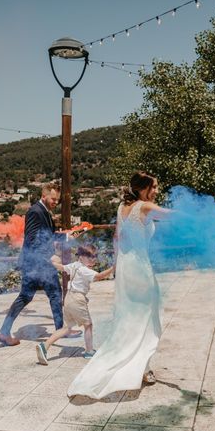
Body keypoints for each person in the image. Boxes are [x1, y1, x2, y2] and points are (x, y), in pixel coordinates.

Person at [67, 171, 170, 399]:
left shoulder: (122, 208)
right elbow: (172, 216)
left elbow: (116, 238)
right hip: (141, 269)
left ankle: (140, 366)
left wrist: (116, 267)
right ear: (143, 189)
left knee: (129, 317)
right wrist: (207, 214)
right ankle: (142, 369)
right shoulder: (144, 206)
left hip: (125, 266)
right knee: (148, 318)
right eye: (153, 187)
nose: (156, 191)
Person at [0, 183, 75, 346]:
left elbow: (49, 236)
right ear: (44, 195)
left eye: (57, 200)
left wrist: (68, 236)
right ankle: (60, 331)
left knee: (45, 295)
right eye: (53, 199)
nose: (55, 202)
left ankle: (4, 332)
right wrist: (50, 256)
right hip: (36, 264)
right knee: (47, 295)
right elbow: (32, 240)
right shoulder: (35, 211)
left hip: (38, 264)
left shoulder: (44, 211)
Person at [35, 245, 114, 364]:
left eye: (94, 256)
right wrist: (113, 268)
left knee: (66, 328)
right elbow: (99, 276)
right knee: (88, 325)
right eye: (90, 256)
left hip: (68, 298)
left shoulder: (74, 265)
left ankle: (44, 346)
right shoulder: (84, 270)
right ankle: (89, 351)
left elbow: (61, 267)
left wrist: (49, 262)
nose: (93, 259)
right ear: (81, 257)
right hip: (77, 299)